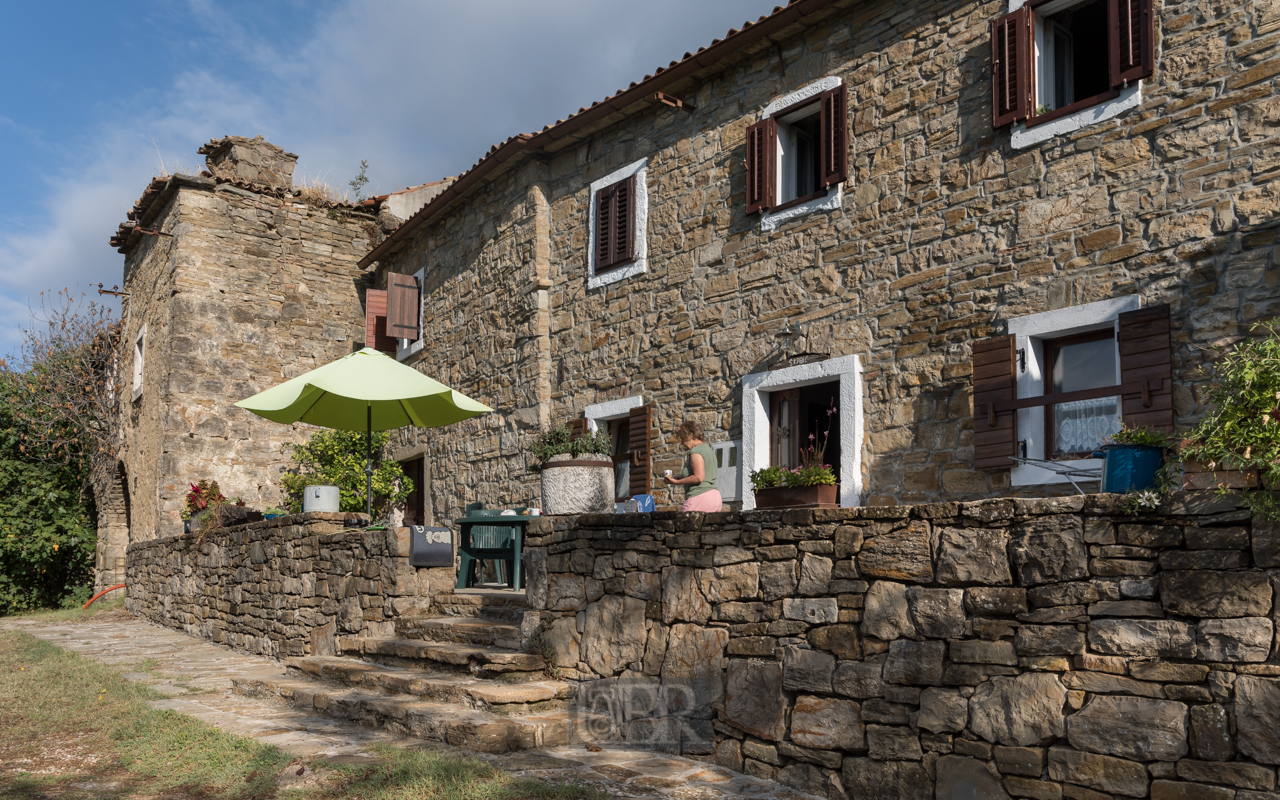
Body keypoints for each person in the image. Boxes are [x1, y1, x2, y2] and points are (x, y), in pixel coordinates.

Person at [664, 420, 721, 512]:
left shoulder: (696, 451)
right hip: (715, 497)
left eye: (682, 439)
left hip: (699, 497)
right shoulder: (708, 450)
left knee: (684, 526)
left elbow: (698, 477)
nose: (682, 443)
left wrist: (676, 482)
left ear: (690, 435)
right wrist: (679, 478)